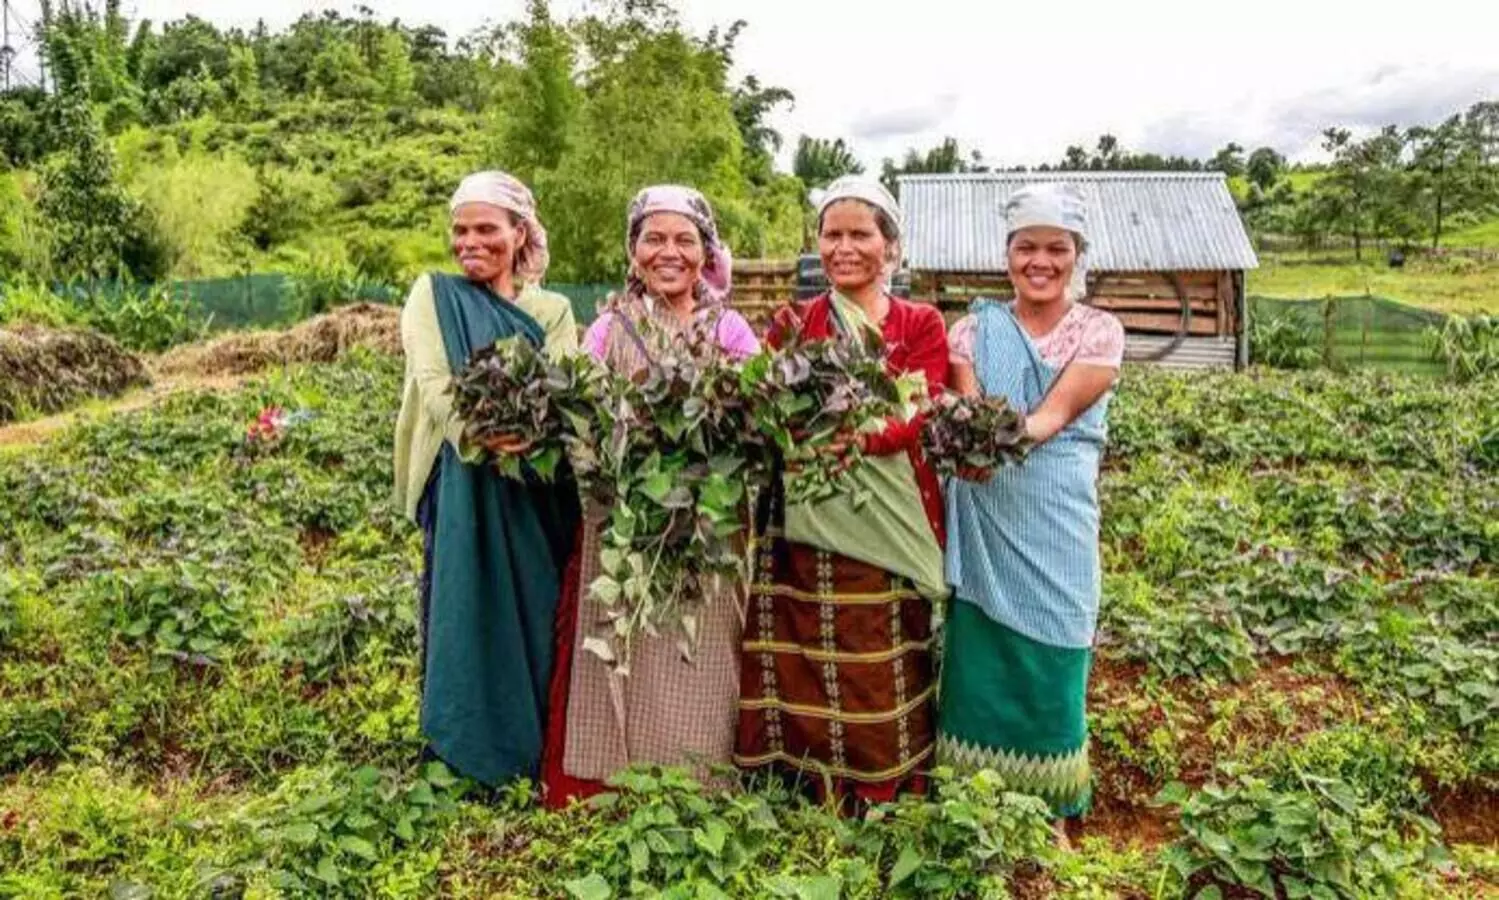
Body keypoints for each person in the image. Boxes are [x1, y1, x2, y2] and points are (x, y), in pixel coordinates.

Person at [540, 185, 759, 809]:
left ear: (706, 252)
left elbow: (758, 413)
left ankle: (699, 774)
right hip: (626, 522)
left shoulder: (729, 328)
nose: (669, 252)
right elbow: (579, 413)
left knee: (701, 649)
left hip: (707, 525)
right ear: (633, 250)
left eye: (685, 240)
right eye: (653, 239)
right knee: (623, 638)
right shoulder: (610, 328)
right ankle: (614, 773)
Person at [735, 176, 949, 811]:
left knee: (875, 649)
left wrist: (857, 438)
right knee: (799, 643)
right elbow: (762, 402)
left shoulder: (919, 323)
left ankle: (882, 783)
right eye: (833, 235)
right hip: (804, 516)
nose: (844, 247)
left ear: (891, 247)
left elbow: (919, 409)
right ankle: (804, 777)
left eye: (861, 234)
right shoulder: (795, 323)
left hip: (886, 515)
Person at [938, 182, 1125, 826]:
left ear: (1076, 254)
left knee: (1057, 648)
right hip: (987, 514)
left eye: (1056, 248)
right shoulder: (972, 331)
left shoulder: (1098, 331)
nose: (1039, 262)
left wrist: (983, 445)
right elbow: (970, 409)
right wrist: (965, 446)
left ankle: (1053, 805)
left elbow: (1051, 417)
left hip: (1057, 514)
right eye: (1026, 248)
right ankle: (974, 802)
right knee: (980, 661)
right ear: (1007, 254)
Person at [392, 170, 582, 790]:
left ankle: (531, 748)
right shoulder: (433, 295)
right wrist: (484, 436)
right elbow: (434, 381)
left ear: (518, 233)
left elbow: (562, 384)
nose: (469, 242)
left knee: (534, 606)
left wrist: (528, 438)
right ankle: (462, 749)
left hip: (533, 482)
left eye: (485, 229)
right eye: (460, 230)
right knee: (463, 605)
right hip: (461, 476)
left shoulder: (552, 310)